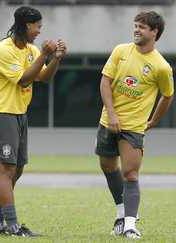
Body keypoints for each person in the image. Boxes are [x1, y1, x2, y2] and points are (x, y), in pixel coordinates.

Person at [0, 6, 66, 237]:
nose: (39, 31)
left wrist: (55, 59)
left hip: (19, 114)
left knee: (16, 170)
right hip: (1, 115)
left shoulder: (30, 50)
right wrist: (44, 55)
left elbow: (43, 78)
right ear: (27, 25)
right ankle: (13, 225)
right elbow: (24, 80)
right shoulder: (3, 50)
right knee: (6, 169)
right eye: (37, 26)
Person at [95, 11, 174, 239]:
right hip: (108, 121)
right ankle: (121, 214)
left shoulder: (161, 67)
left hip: (133, 127)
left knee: (130, 174)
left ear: (154, 32)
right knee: (108, 167)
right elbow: (105, 81)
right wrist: (111, 114)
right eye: (136, 25)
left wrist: (154, 121)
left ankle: (130, 225)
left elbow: (167, 95)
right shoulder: (121, 51)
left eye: (142, 27)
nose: (136, 30)